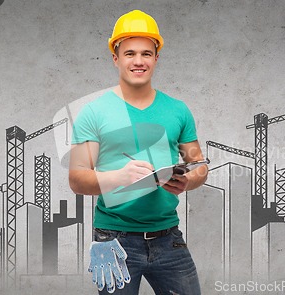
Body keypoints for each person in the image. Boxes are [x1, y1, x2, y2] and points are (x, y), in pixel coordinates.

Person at [69, 10, 208, 295]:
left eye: (146, 53)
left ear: (156, 58)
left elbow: (199, 165)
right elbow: (77, 179)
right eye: (129, 53)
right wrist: (119, 176)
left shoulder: (178, 110)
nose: (138, 61)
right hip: (114, 240)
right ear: (115, 58)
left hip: (169, 239)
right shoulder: (94, 113)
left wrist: (187, 181)